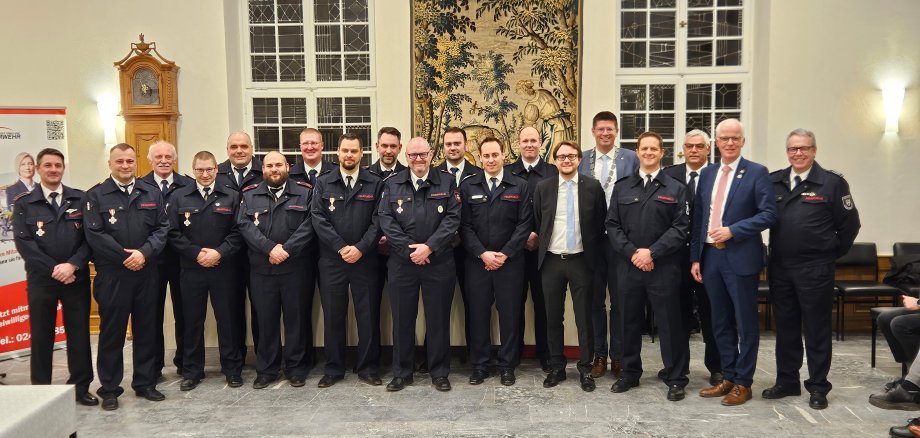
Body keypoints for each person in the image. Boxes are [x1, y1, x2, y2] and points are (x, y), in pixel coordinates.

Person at [764, 128, 861, 409]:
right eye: (793, 149)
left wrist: (828, 253)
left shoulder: (831, 183)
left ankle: (818, 386)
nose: (798, 153)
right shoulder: (775, 182)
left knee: (817, 329)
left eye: (804, 148)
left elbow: (850, 226)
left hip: (815, 269)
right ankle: (787, 381)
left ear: (814, 150)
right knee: (786, 328)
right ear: (787, 152)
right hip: (781, 268)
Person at [691, 119, 776, 406]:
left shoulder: (756, 173)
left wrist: (734, 230)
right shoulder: (708, 173)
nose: (729, 143)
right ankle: (727, 375)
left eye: (735, 138)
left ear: (742, 141)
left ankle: (743, 382)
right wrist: (695, 257)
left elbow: (768, 214)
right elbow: (699, 219)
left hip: (740, 256)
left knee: (745, 322)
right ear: (716, 142)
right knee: (719, 321)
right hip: (710, 256)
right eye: (724, 138)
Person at [84, 143, 170, 410]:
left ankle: (145, 383)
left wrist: (143, 254)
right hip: (113, 275)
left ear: (136, 163)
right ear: (110, 164)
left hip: (146, 272)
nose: (125, 166)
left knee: (147, 330)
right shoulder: (95, 195)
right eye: (119, 161)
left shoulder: (151, 193)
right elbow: (94, 234)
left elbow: (162, 229)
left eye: (130, 161)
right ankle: (110, 388)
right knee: (113, 333)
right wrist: (125, 256)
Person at [606, 132, 690, 400]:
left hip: (664, 268)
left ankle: (676, 377)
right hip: (629, 267)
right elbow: (612, 225)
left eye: (654, 148)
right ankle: (629, 373)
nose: (649, 152)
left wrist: (652, 252)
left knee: (670, 324)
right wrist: (634, 253)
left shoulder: (676, 187)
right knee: (628, 322)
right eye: (644, 148)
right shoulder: (622, 187)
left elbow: (681, 228)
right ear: (638, 152)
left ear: (662, 152)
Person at [12, 148, 95, 406]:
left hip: (75, 279)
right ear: (38, 169)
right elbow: (24, 244)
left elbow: (89, 240)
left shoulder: (79, 199)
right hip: (42, 282)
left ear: (63, 168)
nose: (53, 170)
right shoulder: (25, 203)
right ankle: (41, 392)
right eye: (48, 165)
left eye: (58, 165)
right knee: (42, 335)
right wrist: (54, 270)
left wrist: (71, 266)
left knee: (79, 335)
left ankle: (80, 388)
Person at [377, 137, 460, 392]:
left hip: (438, 261)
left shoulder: (446, 181)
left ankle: (439, 372)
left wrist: (429, 247)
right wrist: (410, 250)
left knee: (438, 320)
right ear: (407, 157)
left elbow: (453, 218)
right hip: (402, 263)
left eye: (422, 154)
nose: (418, 160)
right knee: (402, 319)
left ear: (431, 154)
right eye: (413, 156)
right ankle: (402, 372)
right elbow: (386, 219)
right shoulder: (392, 184)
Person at [166, 151, 245, 390]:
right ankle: (192, 371)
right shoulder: (179, 197)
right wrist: (196, 253)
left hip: (224, 268)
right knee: (191, 321)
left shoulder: (232, 196)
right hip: (191, 269)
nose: (205, 174)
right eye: (200, 169)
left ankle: (232, 369)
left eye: (209, 169)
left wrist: (219, 252)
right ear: (193, 169)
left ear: (216, 169)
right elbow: (172, 232)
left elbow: (239, 231)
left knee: (228, 321)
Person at [311, 133, 385, 387]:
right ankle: (333, 368)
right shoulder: (323, 183)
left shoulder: (375, 183)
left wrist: (361, 248)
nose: (349, 155)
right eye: (345, 151)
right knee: (333, 315)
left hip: (366, 261)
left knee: (368, 316)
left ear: (362, 154)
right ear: (337, 152)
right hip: (333, 261)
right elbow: (318, 219)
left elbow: (379, 220)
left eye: (354, 151)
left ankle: (368, 367)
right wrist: (342, 247)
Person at [238, 151, 315, 389]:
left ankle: (295, 368)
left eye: (278, 165)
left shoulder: (305, 192)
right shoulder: (249, 195)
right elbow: (244, 225)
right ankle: (267, 369)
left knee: (297, 320)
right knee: (266, 321)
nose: (274, 169)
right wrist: (271, 249)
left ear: (287, 167)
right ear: (262, 170)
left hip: (296, 269)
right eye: (269, 165)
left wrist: (287, 249)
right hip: (262, 269)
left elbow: (310, 223)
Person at [534, 141, 607, 392]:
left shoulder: (593, 187)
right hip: (551, 261)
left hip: (581, 261)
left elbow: (599, 224)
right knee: (553, 317)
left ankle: (585, 369)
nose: (566, 160)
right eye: (562, 156)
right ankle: (556, 367)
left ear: (579, 160)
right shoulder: (543, 188)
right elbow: (538, 220)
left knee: (584, 318)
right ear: (555, 160)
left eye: (571, 156)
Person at [459, 137, 532, 386]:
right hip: (477, 263)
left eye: (495, 155)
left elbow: (525, 225)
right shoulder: (469, 186)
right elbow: (464, 227)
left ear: (504, 156)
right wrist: (483, 254)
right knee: (478, 314)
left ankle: (507, 365)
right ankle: (479, 365)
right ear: (479, 158)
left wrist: (505, 253)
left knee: (510, 315)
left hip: (510, 263)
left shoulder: (520, 185)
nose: (491, 160)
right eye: (486, 156)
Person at [577, 111, 638, 380]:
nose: (605, 133)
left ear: (616, 131)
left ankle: (619, 356)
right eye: (600, 129)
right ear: (593, 131)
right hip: (590, 240)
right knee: (595, 302)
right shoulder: (583, 160)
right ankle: (599, 355)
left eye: (610, 129)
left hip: (619, 239)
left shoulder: (630, 159)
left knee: (620, 300)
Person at [662, 129, 722, 386]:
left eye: (699, 146)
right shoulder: (670, 175)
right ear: (682, 150)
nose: (694, 150)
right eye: (689, 146)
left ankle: (717, 367)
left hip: (710, 257)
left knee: (712, 315)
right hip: (675, 258)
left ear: (709, 149)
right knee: (677, 316)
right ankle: (678, 369)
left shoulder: (719, 174)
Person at [140, 140, 194, 380]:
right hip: (151, 261)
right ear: (150, 160)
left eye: (168, 157)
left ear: (175, 159)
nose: (163, 161)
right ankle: (154, 365)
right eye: (158, 157)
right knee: (151, 314)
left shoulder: (188, 185)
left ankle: (184, 361)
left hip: (181, 259)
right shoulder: (140, 186)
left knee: (185, 312)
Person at [505, 126, 558, 372]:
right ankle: (513, 354)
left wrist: (538, 235)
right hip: (513, 252)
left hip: (543, 251)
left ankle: (545, 353)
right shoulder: (507, 172)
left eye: (533, 140)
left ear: (541, 143)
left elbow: (557, 211)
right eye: (524, 140)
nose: (529, 144)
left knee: (543, 303)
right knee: (513, 303)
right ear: (518, 143)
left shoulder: (552, 172)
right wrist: (522, 236)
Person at [435, 126, 483, 359]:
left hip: (470, 252)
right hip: (440, 251)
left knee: (474, 306)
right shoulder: (433, 174)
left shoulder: (478, 174)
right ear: (443, 147)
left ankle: (475, 357)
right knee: (437, 307)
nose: (453, 148)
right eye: (448, 144)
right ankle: (431, 357)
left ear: (465, 146)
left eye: (457, 143)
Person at [215, 132, 263, 361]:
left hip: (259, 251)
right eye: (234, 146)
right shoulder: (217, 173)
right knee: (230, 309)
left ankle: (264, 358)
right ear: (227, 149)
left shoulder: (264, 171)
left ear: (252, 149)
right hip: (228, 253)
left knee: (262, 308)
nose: (239, 150)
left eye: (244, 146)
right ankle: (235, 360)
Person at [287, 127, 330, 368]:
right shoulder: (289, 174)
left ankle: (333, 357)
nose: (310, 147)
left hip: (330, 251)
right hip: (299, 254)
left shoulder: (335, 172)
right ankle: (302, 360)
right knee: (299, 308)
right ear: (300, 147)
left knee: (332, 307)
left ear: (322, 146)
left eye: (314, 143)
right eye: (305, 144)